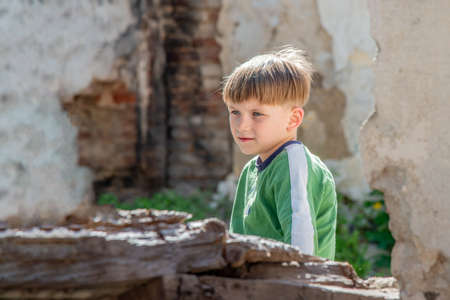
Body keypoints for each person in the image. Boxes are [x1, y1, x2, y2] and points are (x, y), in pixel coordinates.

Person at [222, 47, 337, 260]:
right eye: (235, 112)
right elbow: (237, 239)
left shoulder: (293, 163)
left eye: (257, 114)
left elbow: (301, 241)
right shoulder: (250, 171)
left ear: (293, 119)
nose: (242, 126)